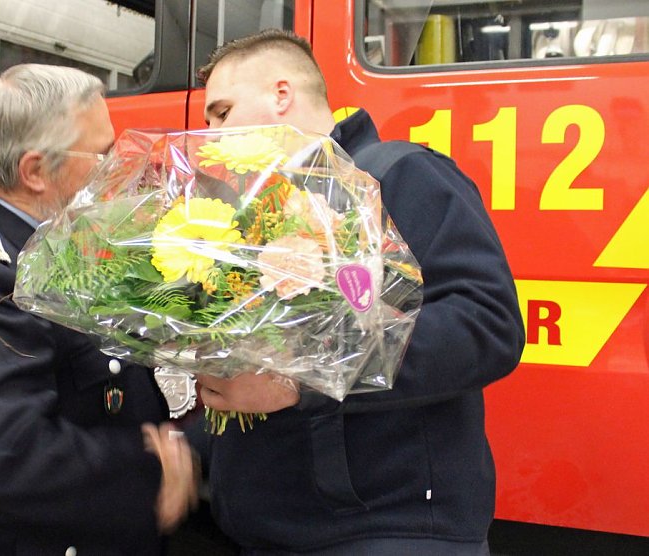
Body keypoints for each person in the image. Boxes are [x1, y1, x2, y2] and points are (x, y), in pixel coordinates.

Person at [195, 30, 525, 555]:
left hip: (385, 532)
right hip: (270, 531)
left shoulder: (402, 176)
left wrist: (297, 379)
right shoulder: (242, 216)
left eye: (221, 112)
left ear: (281, 95)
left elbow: (485, 326)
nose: (209, 135)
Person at [0, 64, 196, 555]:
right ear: (35, 172)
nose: (117, 168)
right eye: (103, 155)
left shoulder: (59, 246)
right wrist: (153, 466)